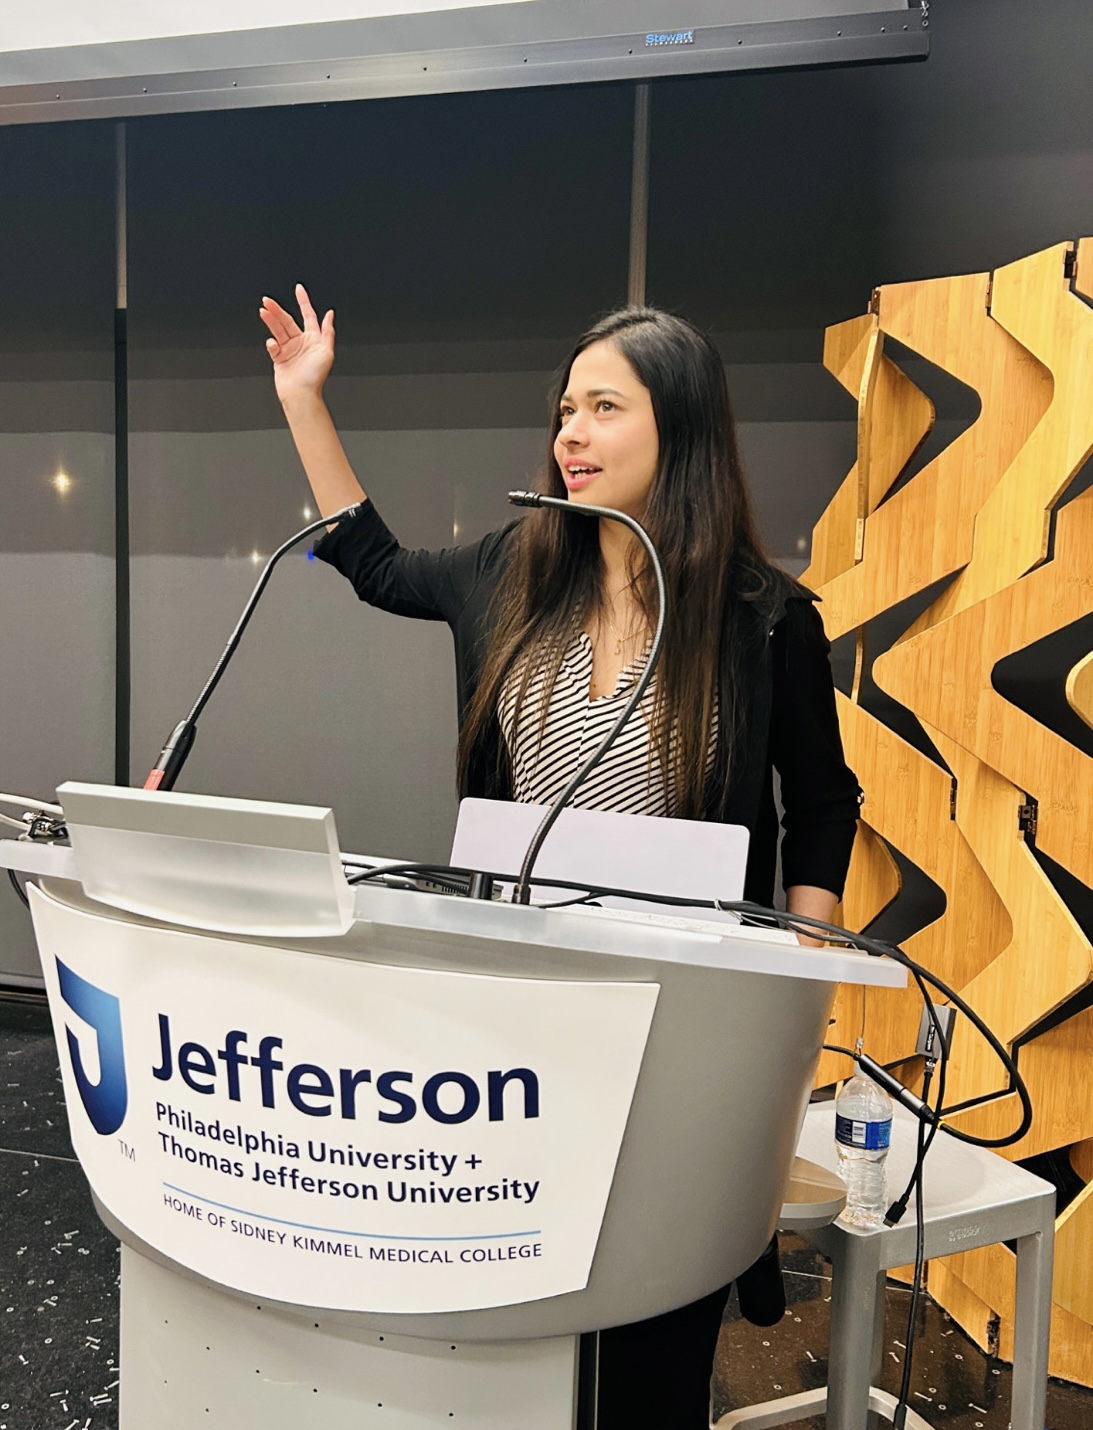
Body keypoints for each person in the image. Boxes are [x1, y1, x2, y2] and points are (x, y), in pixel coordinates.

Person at [260, 283, 861, 1428]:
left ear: (677, 428)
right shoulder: (512, 572)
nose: (568, 435)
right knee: (516, 1320)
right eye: (563, 410)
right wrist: (304, 401)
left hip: (683, 1026)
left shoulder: (763, 616)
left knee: (649, 1338)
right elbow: (374, 562)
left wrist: (804, 959)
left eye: (602, 407)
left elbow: (821, 798)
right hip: (516, 1024)